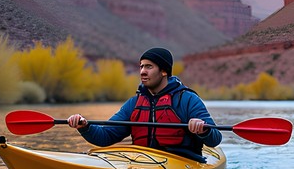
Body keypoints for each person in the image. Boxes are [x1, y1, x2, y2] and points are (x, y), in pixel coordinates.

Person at [67, 47, 221, 162]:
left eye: (149, 66)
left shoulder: (187, 99)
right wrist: (85, 127)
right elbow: (105, 137)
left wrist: (202, 129)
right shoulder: (134, 103)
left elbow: (215, 139)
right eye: (141, 66)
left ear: (164, 71)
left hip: (183, 163)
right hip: (142, 161)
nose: (142, 71)